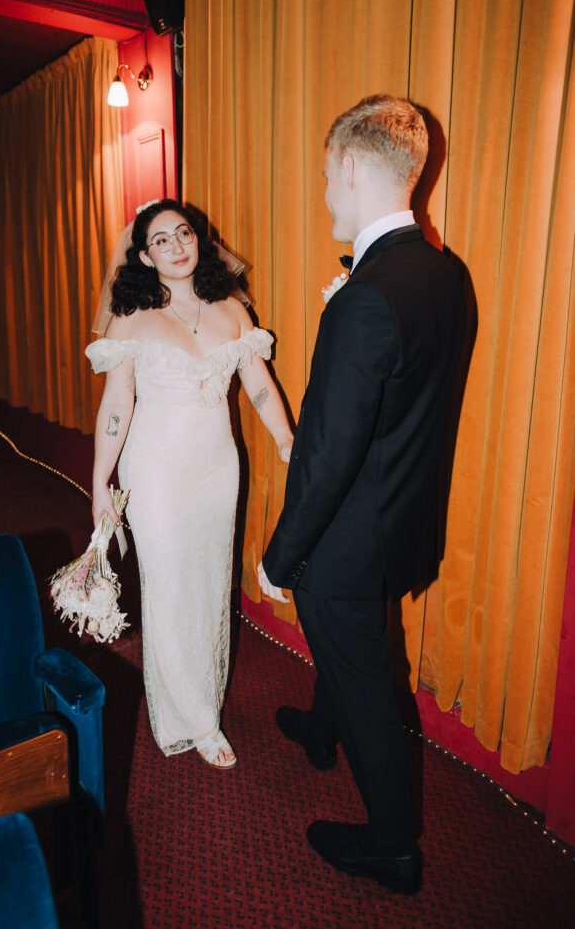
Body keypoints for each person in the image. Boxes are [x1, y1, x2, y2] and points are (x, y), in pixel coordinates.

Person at [258, 95, 467, 892]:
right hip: (403, 520)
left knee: (370, 685)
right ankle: (319, 725)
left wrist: (283, 555)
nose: (322, 196)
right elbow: (407, 402)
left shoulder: (367, 298)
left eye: (322, 177)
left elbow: (327, 452)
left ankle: (393, 848)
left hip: (348, 538)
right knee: (359, 652)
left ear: (350, 166)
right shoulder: (443, 274)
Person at [86, 199, 293, 769]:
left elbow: (259, 385)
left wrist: (283, 437)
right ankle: (194, 719)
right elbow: (117, 404)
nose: (177, 245)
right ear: (146, 257)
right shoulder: (131, 318)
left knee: (208, 584)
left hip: (216, 468)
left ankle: (204, 693)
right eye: (161, 240)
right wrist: (101, 480)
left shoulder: (230, 311)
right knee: (171, 587)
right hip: (155, 470)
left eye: (184, 234)